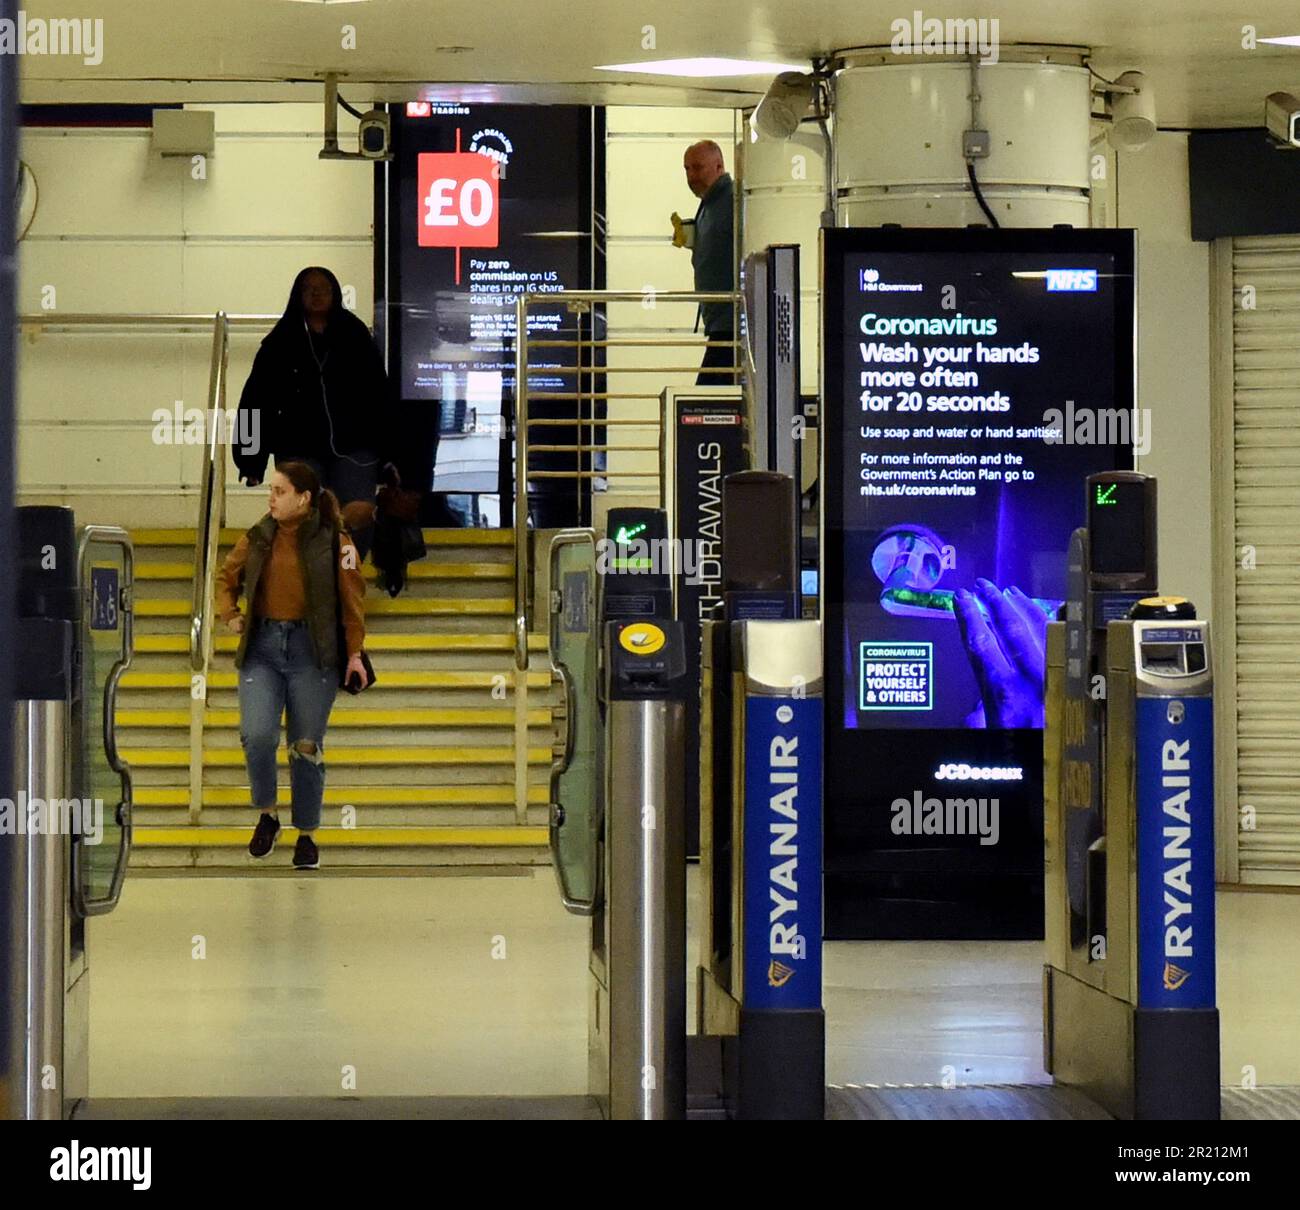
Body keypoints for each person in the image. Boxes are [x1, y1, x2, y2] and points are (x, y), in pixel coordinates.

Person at [215, 461, 369, 869]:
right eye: (271, 491)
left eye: (279, 491)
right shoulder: (259, 536)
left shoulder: (337, 541)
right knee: (257, 734)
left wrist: (354, 653)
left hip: (312, 652)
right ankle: (267, 814)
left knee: (305, 746)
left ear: (303, 498)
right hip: (263, 647)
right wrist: (229, 614)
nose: (271, 498)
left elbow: (353, 599)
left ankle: (307, 833)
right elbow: (225, 577)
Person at [233, 266, 397, 563]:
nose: (317, 293)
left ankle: (347, 576)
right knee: (302, 518)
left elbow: (379, 396)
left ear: (335, 294)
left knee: (356, 516)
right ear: (298, 295)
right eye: (309, 288)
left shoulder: (355, 335)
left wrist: (390, 454)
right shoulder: (280, 342)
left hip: (355, 448)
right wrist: (250, 459)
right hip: (299, 447)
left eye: (324, 288)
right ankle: (310, 582)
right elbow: (255, 400)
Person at [678, 141, 736, 386]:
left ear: (719, 166)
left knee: (707, 402)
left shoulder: (730, 200)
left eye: (698, 168)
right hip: (720, 322)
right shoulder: (711, 203)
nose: (691, 176)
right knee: (712, 402)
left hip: (730, 322)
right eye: (687, 169)